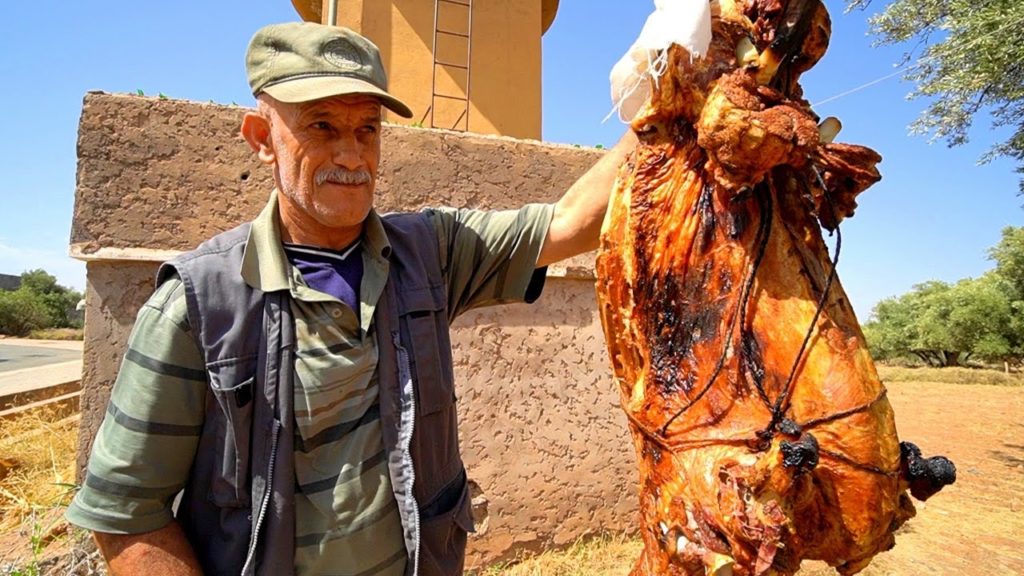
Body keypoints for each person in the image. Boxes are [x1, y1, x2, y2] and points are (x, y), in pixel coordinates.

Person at [66, 21, 635, 576]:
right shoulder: (198, 303)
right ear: (262, 139)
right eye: (321, 127)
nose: (351, 155)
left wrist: (668, 87)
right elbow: (126, 513)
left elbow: (569, 222)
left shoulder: (429, 255)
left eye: (367, 130)